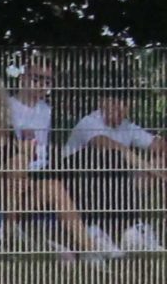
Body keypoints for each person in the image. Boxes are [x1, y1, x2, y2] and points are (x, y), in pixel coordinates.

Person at [0, 74, 117, 266]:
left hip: (15, 192)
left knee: (52, 186)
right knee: (14, 166)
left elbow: (17, 159)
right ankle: (10, 234)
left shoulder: (7, 128)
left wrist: (24, 162)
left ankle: (89, 250)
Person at [57, 94, 167, 253]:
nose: (119, 110)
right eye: (114, 104)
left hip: (114, 186)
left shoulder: (128, 126)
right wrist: (157, 172)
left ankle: (134, 232)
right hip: (78, 183)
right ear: (102, 103)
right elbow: (114, 148)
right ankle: (118, 230)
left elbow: (158, 145)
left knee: (160, 161)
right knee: (113, 157)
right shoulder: (89, 122)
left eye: (123, 105)